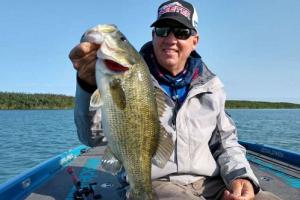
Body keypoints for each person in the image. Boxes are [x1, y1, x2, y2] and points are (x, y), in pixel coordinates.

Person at [69, 1, 281, 199]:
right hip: (157, 182)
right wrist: (87, 86)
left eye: (181, 32)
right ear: (153, 35)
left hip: (211, 183)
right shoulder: (128, 78)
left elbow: (226, 142)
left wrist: (239, 176)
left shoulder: (212, 87)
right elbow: (91, 137)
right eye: (163, 30)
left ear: (194, 41)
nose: (171, 39)